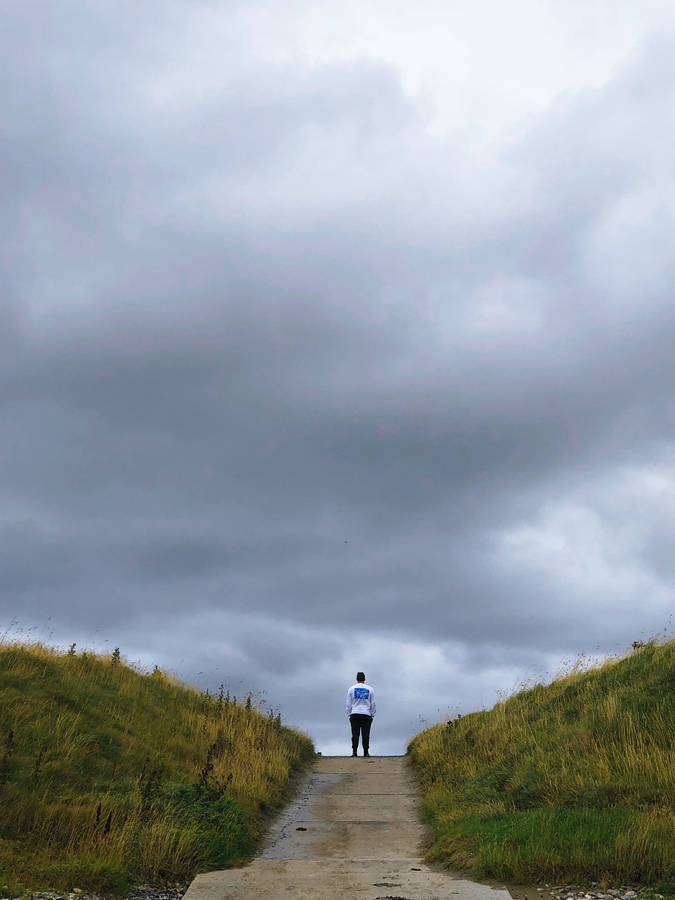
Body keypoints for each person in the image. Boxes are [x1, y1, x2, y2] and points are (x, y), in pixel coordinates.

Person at [346, 671, 376, 757]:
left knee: (355, 734)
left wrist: (349, 713)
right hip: (366, 714)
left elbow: (348, 703)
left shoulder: (351, 689)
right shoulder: (370, 689)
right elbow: (373, 703)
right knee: (366, 734)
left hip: (355, 713)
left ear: (357, 679)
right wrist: (372, 714)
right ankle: (366, 752)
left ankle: (354, 752)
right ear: (364, 679)